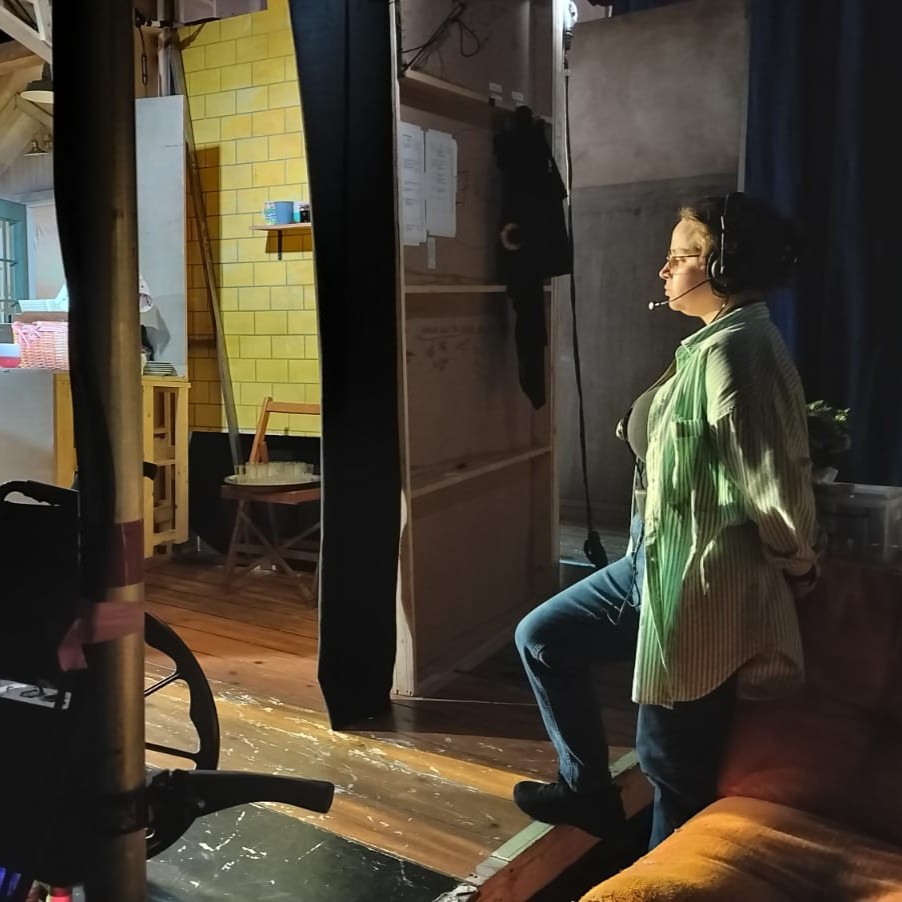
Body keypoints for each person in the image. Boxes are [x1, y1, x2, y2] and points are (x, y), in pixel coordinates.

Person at [513, 192, 820, 848]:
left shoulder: (739, 352)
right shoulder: (707, 345)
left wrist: (798, 569)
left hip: (699, 585)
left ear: (722, 265)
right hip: (650, 561)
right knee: (543, 637)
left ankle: (669, 879)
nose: (665, 270)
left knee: (670, 763)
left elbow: (777, 489)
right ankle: (587, 787)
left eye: (680, 257)